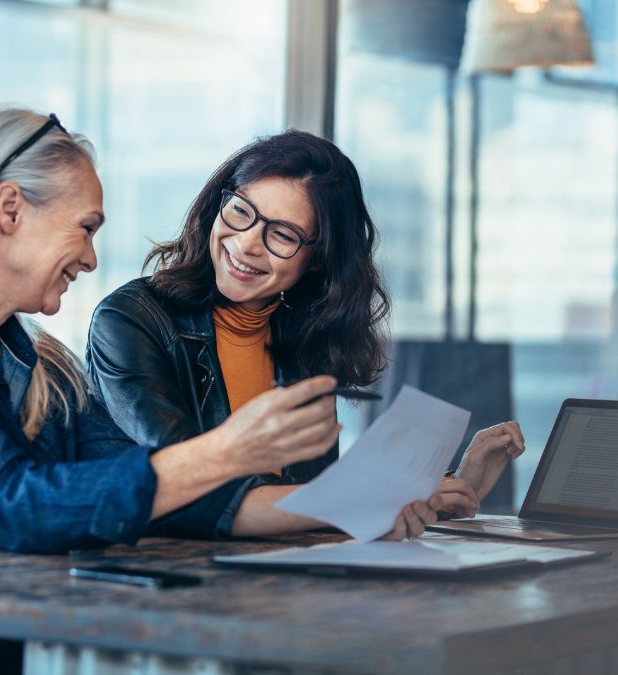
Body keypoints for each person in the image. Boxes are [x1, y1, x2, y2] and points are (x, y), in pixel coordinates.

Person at [0, 107, 348, 674]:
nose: (90, 258)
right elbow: (18, 506)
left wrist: (362, 504)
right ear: (10, 208)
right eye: (85, 228)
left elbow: (173, 495)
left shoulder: (42, 367)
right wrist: (227, 449)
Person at [86, 130, 525, 540]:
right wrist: (363, 502)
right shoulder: (131, 319)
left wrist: (443, 491)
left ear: (318, 260)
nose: (246, 243)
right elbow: (188, 484)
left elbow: (311, 505)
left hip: (278, 581)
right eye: (240, 210)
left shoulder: (305, 340)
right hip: (165, 583)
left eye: (282, 234)